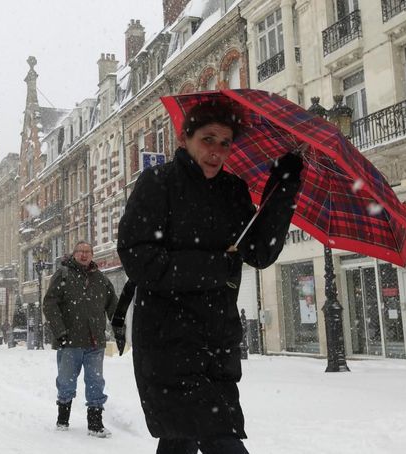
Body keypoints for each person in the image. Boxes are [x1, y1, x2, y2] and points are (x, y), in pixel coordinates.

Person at [117, 102, 303, 454]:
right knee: (219, 436)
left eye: (225, 143)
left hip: (217, 342)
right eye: (208, 139)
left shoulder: (233, 190)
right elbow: (139, 259)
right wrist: (214, 267)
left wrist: (283, 187)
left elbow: (259, 251)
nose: (216, 152)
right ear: (185, 138)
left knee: (181, 437)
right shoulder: (157, 184)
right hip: (168, 342)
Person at [42, 240, 118, 438]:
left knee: (95, 382)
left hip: (95, 341)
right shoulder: (63, 275)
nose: (84, 255)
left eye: (88, 251)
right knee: (66, 382)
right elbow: (49, 304)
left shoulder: (100, 279)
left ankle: (95, 424)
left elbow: (113, 306)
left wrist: (120, 329)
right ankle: (62, 419)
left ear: (92, 255)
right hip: (70, 341)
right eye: (80, 251)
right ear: (74, 254)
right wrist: (60, 332)